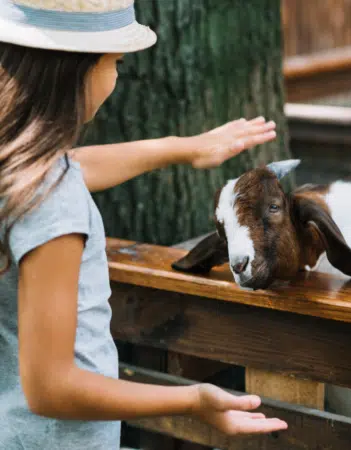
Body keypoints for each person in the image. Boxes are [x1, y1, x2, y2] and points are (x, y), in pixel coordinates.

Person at [0, 0, 288, 448]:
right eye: (114, 61)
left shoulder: (15, 163)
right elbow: (50, 387)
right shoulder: (52, 201)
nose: (115, 76)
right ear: (77, 70)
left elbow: (73, 166)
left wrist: (185, 148)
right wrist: (191, 401)